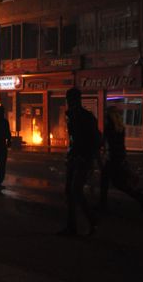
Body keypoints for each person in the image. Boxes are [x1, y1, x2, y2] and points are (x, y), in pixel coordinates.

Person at [58, 87, 101, 236]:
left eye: (70, 100)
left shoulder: (84, 117)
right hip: (75, 158)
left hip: (82, 158)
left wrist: (88, 158)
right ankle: (72, 226)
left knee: (75, 191)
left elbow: (94, 140)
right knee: (69, 192)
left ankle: (91, 220)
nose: (68, 103)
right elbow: (74, 140)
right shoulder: (73, 116)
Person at [100, 106, 143, 212]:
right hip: (119, 156)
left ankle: (103, 205)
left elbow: (103, 141)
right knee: (116, 182)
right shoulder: (120, 127)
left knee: (108, 181)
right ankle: (139, 197)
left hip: (112, 158)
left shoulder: (109, 126)